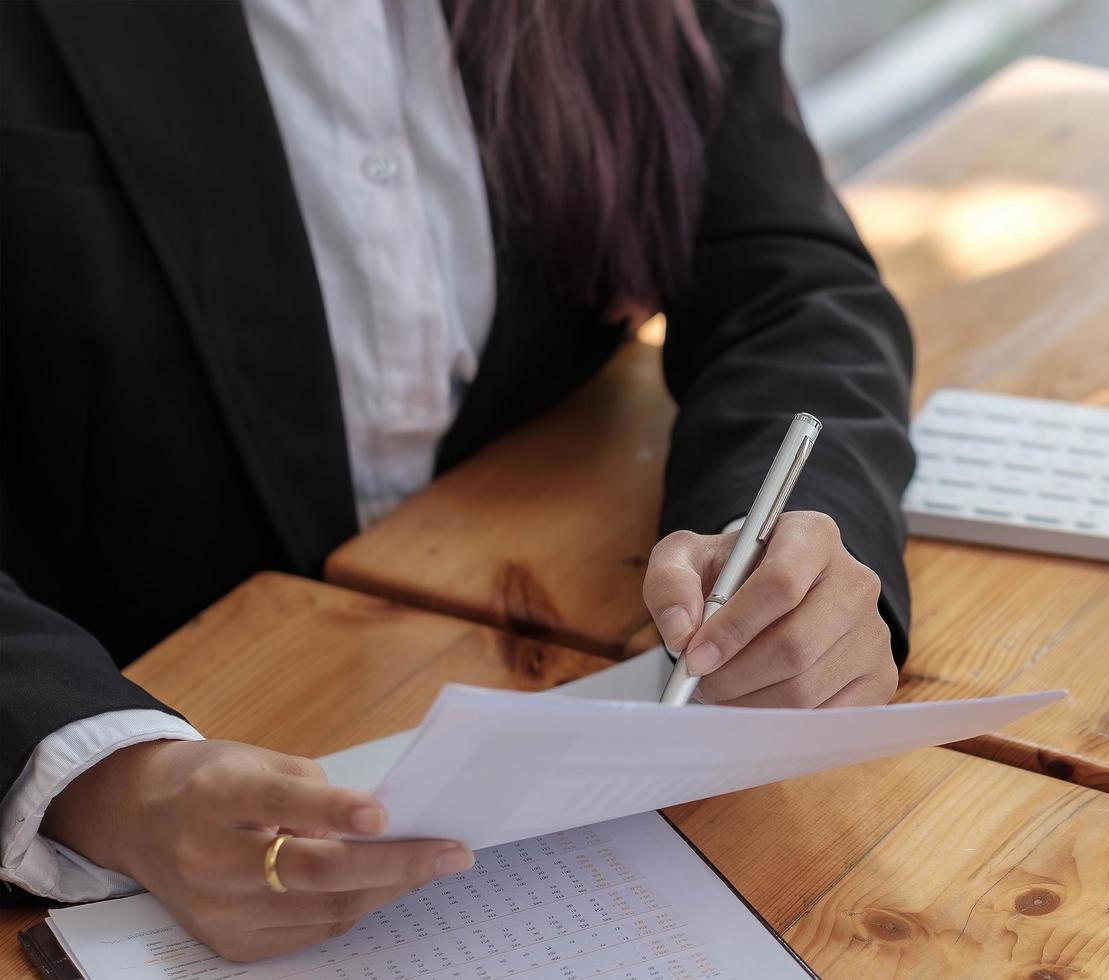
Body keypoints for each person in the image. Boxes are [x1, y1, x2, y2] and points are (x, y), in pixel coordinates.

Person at [0, 0, 914, 960]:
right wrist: (112, 782)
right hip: (119, 724)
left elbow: (790, 282)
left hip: (515, 639)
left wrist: (792, 539)